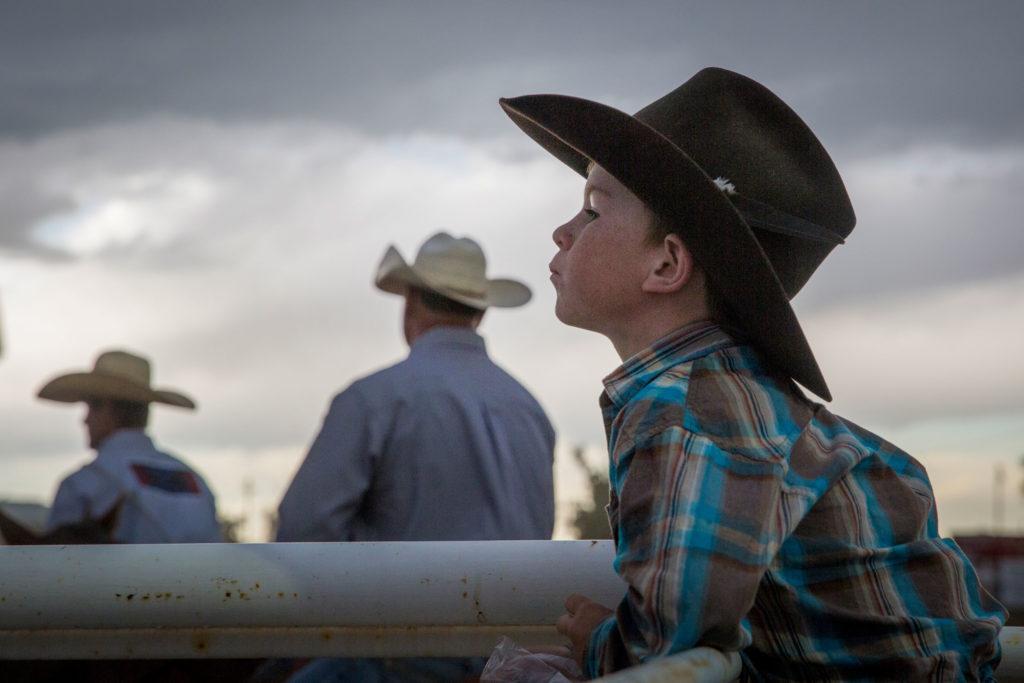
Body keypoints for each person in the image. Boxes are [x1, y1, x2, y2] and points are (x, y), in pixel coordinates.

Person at [499, 67, 1006, 680]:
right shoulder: (742, 401)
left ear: (666, 264)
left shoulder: (684, 412)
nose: (564, 230)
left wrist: (596, 643)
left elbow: (664, 645)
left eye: (593, 210)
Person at [274, 232, 555, 682]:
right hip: (510, 657)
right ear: (480, 312)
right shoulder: (528, 407)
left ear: (410, 305)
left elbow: (302, 529)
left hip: (398, 651)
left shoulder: (373, 399)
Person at [38, 349, 222, 543]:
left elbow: (55, 566)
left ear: (107, 408)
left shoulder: (83, 485)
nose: (85, 420)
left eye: (91, 407)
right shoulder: (195, 482)